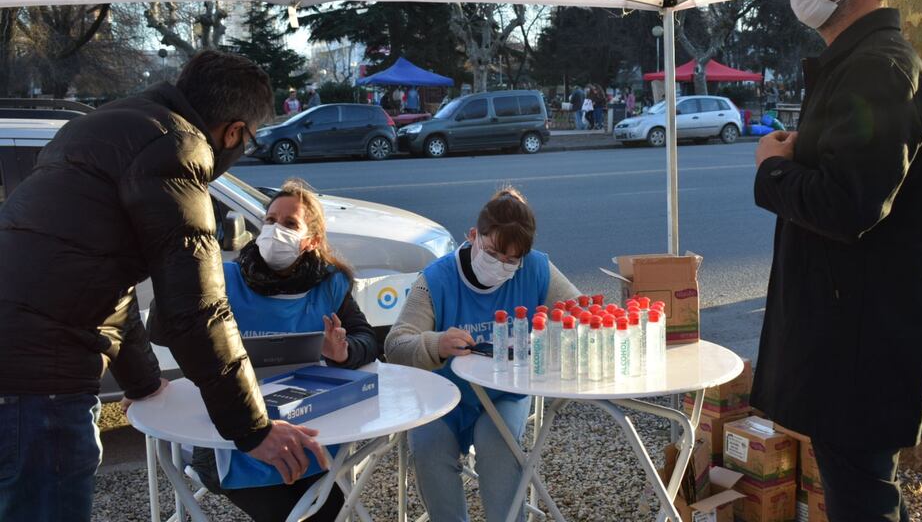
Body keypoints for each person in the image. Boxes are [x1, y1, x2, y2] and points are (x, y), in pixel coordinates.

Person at [0, 50, 327, 521]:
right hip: (39, 382)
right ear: (233, 132)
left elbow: (107, 279)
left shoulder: (103, 124)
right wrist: (253, 430)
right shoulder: (177, 148)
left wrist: (144, 381)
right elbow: (196, 310)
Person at [752, 0, 922, 522]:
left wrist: (772, 168)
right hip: (855, 335)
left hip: (860, 345)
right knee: (860, 494)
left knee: (863, 501)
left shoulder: (876, 67)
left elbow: (846, 205)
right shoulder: (859, 62)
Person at [385, 188, 580, 522]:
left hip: (504, 392)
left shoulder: (536, 268)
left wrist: (554, 330)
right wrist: (436, 344)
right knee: (429, 449)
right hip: (443, 396)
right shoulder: (436, 278)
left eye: (511, 260)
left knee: (499, 446)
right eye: (492, 253)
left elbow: (578, 312)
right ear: (473, 235)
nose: (501, 265)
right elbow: (396, 345)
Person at [191, 179, 379, 522]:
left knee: (327, 512)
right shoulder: (224, 278)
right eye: (270, 220)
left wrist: (343, 351)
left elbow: (367, 339)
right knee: (297, 514)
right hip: (231, 436)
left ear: (312, 241)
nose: (275, 230)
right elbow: (175, 334)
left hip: (307, 427)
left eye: (290, 224)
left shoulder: (329, 284)